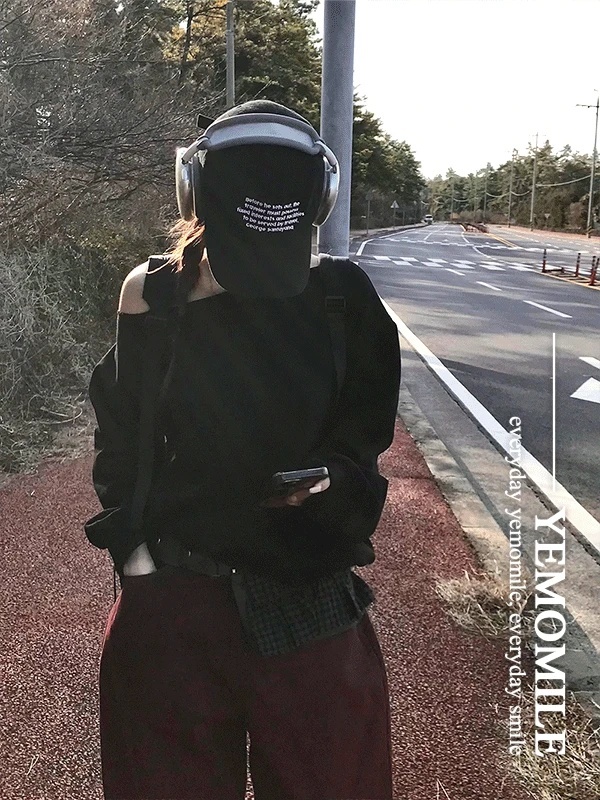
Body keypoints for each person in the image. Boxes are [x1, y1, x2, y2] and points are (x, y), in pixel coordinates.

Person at [86, 99, 401, 800]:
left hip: (310, 599)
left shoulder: (344, 299)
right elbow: (122, 439)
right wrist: (135, 558)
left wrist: (329, 484)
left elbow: (364, 446)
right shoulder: (151, 294)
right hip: (175, 599)